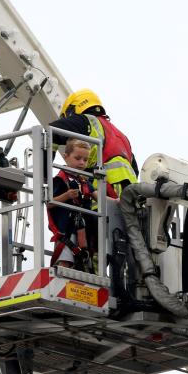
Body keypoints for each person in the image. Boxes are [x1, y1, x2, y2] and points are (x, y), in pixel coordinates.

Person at [49, 89, 137, 198]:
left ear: (72, 110)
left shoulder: (86, 121)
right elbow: (135, 171)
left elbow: (52, 131)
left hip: (104, 194)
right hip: (131, 196)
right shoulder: (122, 137)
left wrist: (44, 173)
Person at [48, 138, 97, 270]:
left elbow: (99, 197)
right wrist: (67, 195)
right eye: (77, 158)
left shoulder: (84, 182)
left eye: (85, 160)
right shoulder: (60, 180)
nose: (82, 163)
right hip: (66, 232)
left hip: (83, 233)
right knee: (65, 263)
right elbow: (49, 203)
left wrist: (118, 201)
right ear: (66, 157)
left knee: (83, 264)